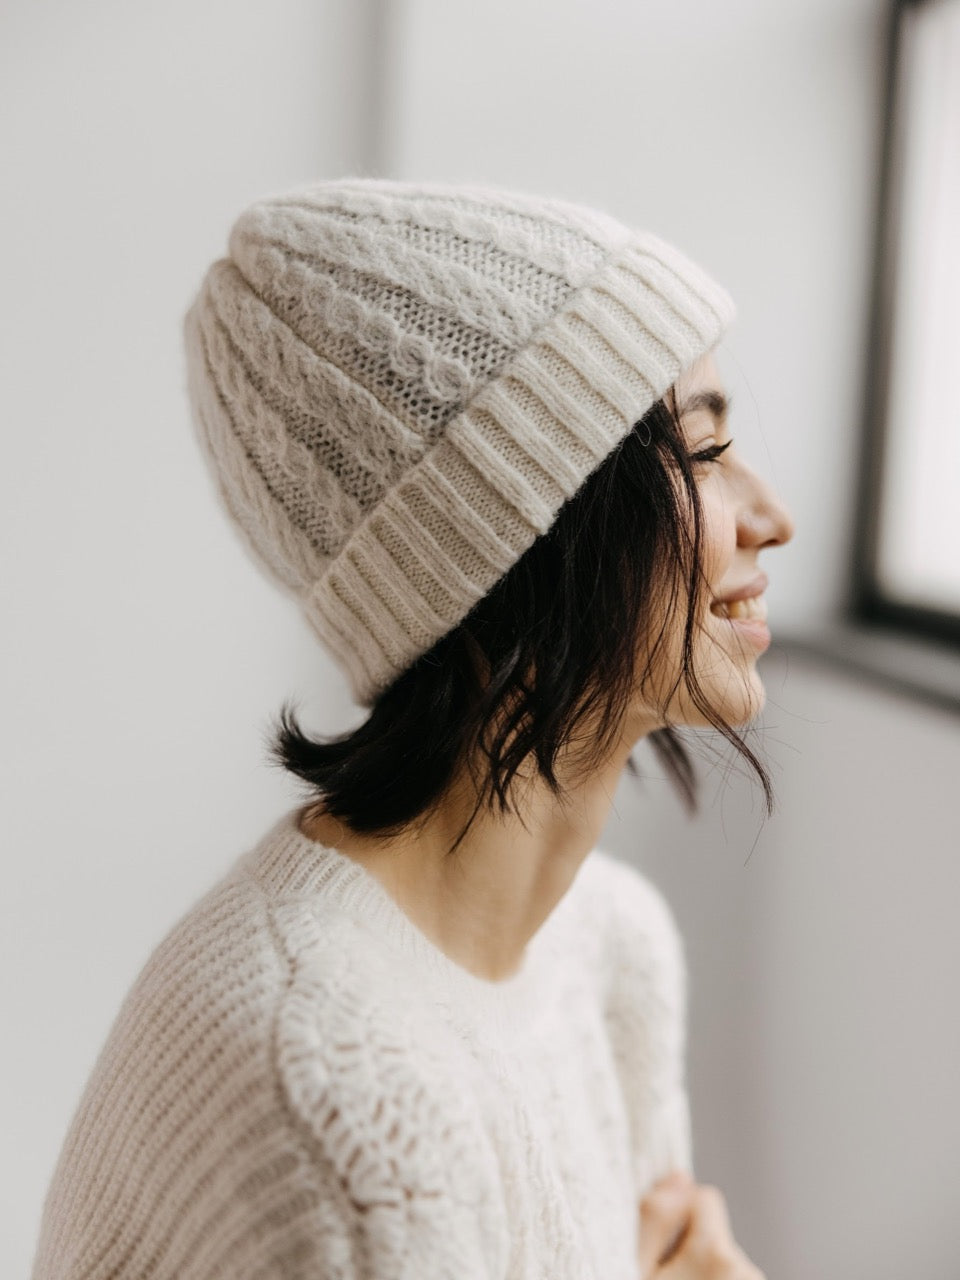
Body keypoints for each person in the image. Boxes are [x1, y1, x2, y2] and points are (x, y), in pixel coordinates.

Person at [31, 177, 792, 1279]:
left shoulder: (612, 954)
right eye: (705, 455)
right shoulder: (346, 1110)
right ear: (527, 527)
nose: (773, 517)